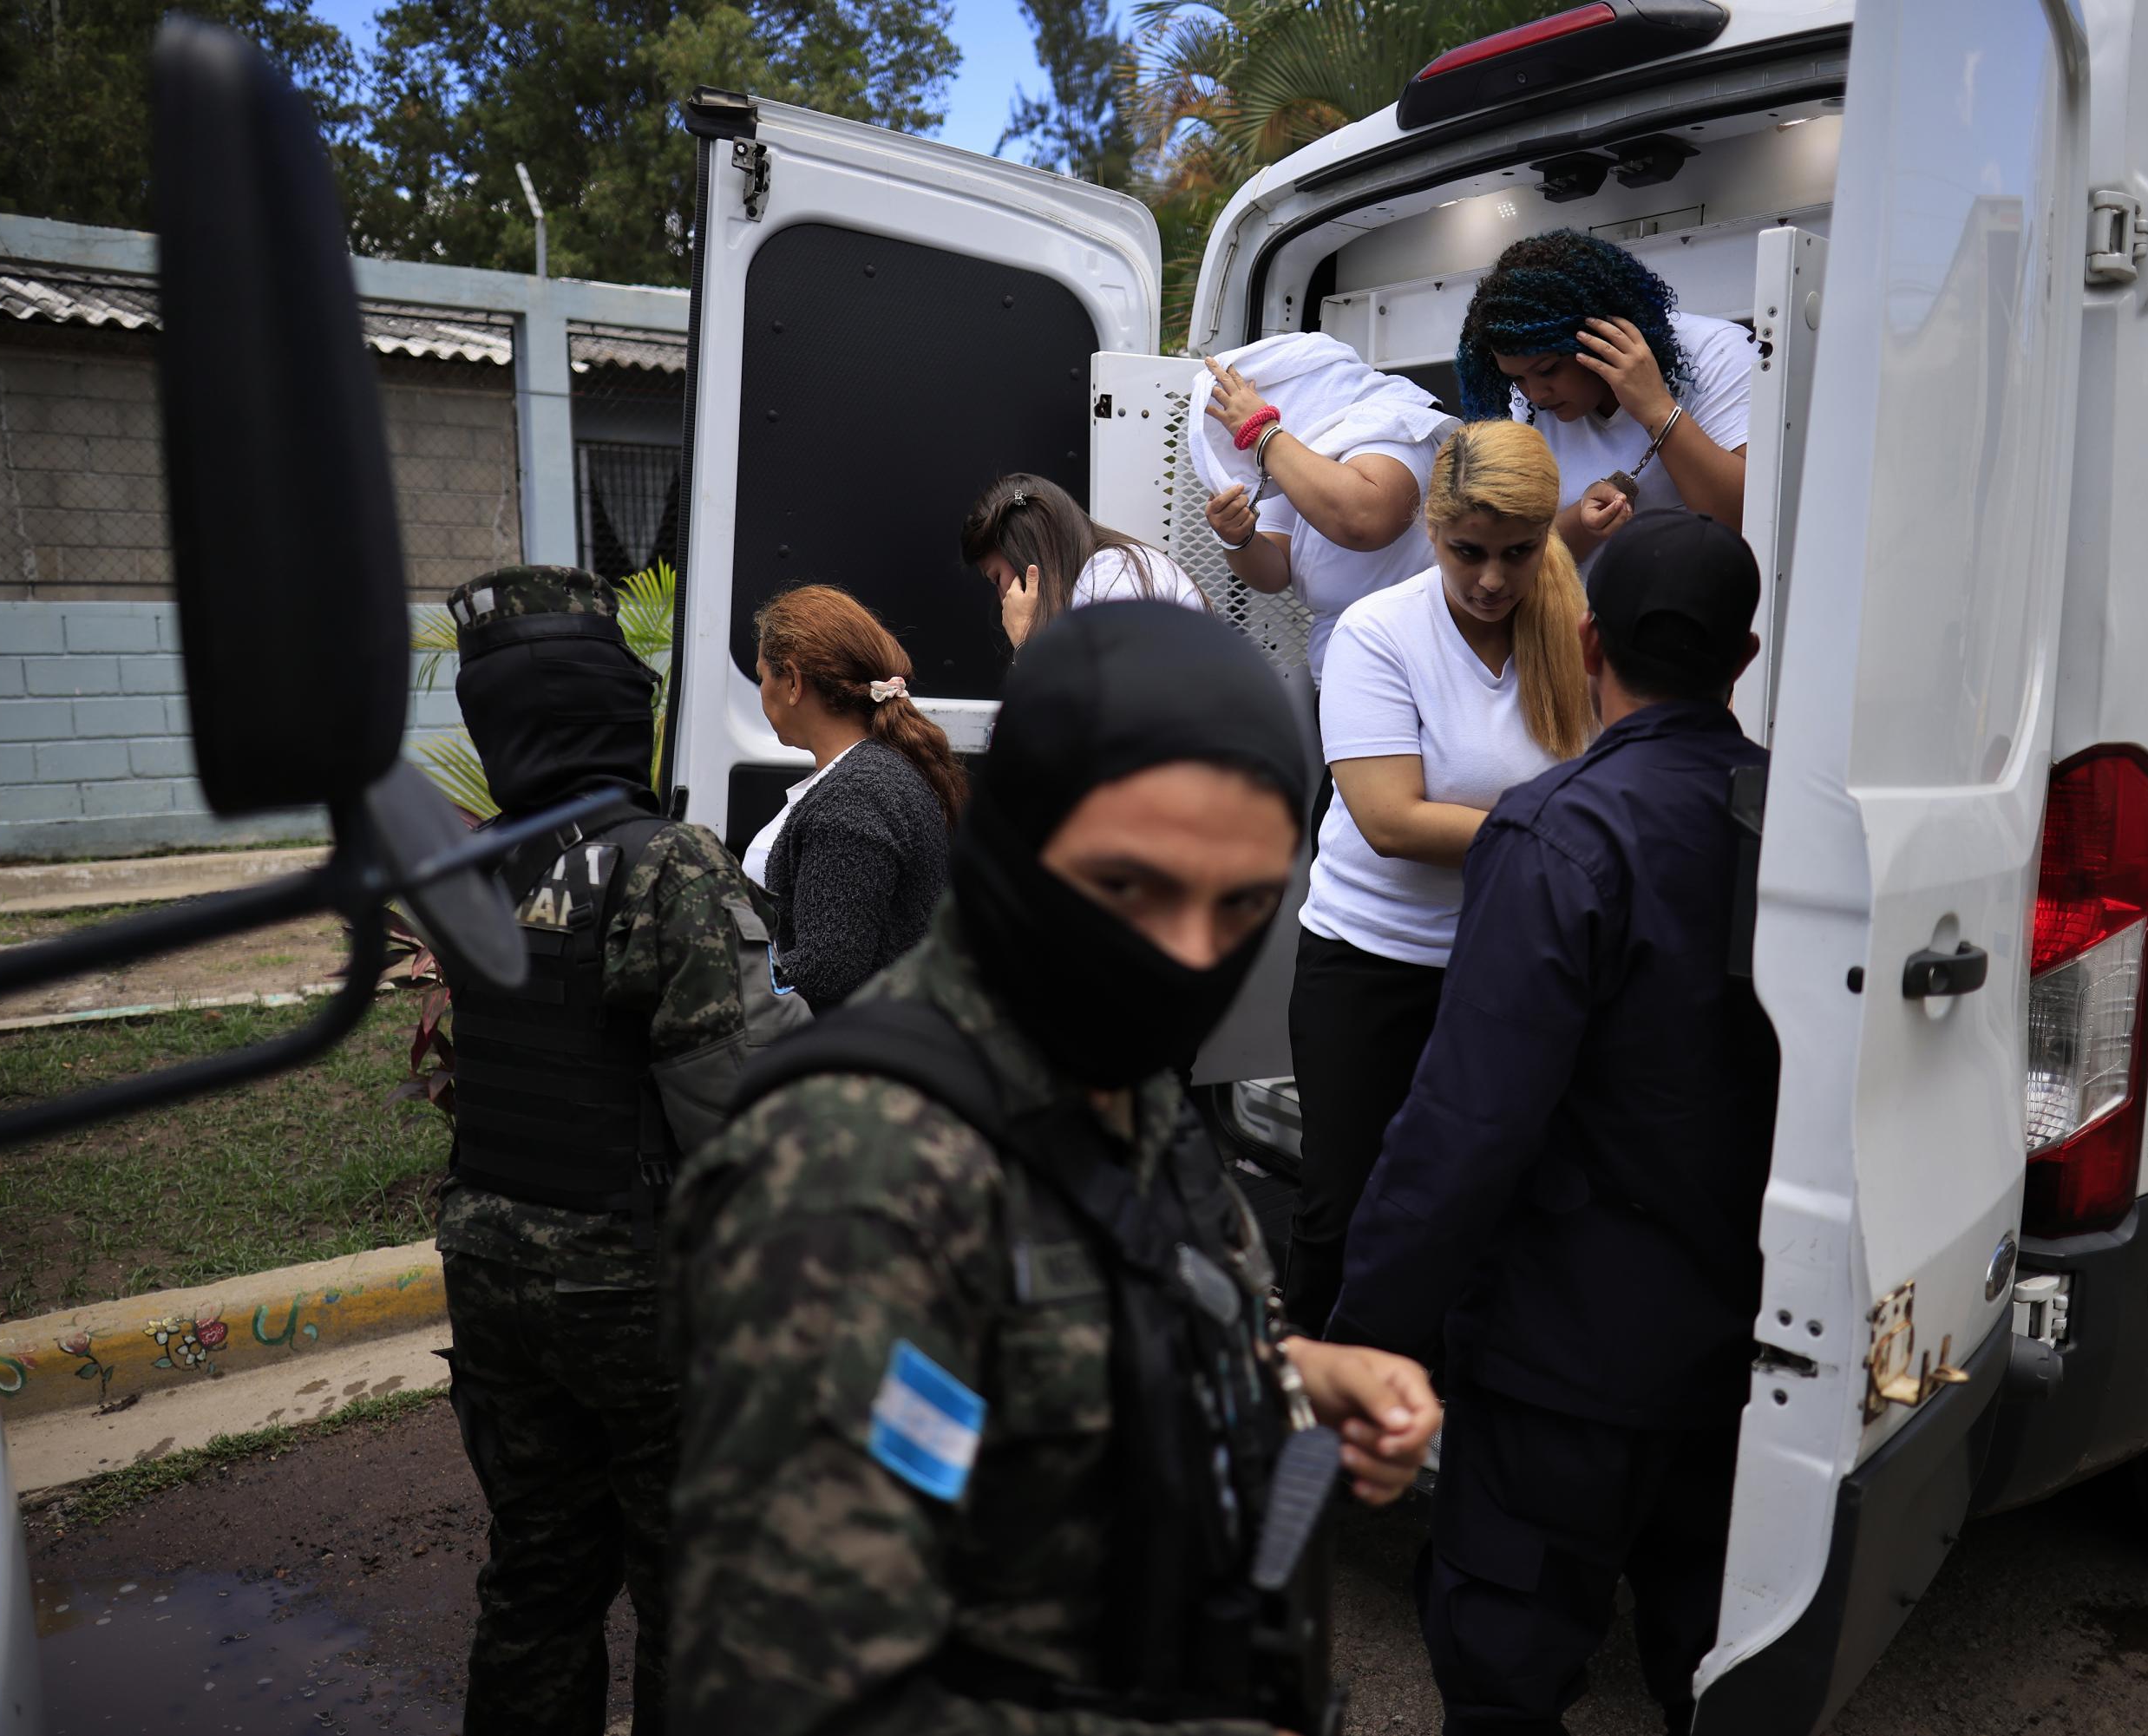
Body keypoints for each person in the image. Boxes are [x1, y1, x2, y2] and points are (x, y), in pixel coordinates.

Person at [666, 600, 1443, 1734]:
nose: (1186, 951)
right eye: (1130, 887)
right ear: (1021, 845)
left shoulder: (1121, 1082)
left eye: (1242, 906)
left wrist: (1292, 1380)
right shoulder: (858, 1174)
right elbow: (792, 1697)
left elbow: (1091, 1364)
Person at [1325, 510, 1781, 1735]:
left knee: (1506, 1666)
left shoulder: (1557, 830)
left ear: (1587, 641)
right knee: (1725, 1653)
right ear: (1742, 659)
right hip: (1753, 1339)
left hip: (1562, 1354)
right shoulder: (1804, 826)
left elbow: (1465, 1123)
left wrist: (1368, 1332)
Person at [435, 565, 802, 1736]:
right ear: (616, 710)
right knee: (694, 1583)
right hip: (636, 1280)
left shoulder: (472, 861)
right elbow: (739, 1104)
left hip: (488, 1263)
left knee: (538, 1566)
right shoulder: (664, 863)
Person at [1280, 419, 1595, 1341]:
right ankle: (1311, 1412)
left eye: (1516, 554)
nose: (1493, 579)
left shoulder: (1571, 632)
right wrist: (1562, 835)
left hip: (1502, 966)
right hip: (1370, 964)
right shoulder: (1380, 633)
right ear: (1432, 530)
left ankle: (1442, 1411)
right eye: (1469, 553)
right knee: (1347, 1206)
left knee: (1482, 1202)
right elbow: (1390, 820)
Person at [1456, 229, 1754, 560]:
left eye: (1548, 370)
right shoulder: (1525, 399)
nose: (1536, 394)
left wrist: (1655, 409)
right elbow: (1511, 552)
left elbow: (1752, 521)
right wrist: (1584, 524)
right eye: (1516, 378)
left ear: (1601, 334)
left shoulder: (1716, 353)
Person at [741, 584, 963, 1010]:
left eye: (762, 676)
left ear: (793, 682)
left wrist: (721, 981)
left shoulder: (855, 796)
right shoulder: (871, 774)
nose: (761, 690)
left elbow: (827, 968)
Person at [1196, 335, 1456, 688]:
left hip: (1427, 671)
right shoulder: (1294, 456)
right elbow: (1275, 573)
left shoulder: (1391, 423)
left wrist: (1265, 433)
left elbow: (1365, 519)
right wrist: (1239, 539)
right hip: (1342, 676)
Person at [959, 472, 1209, 651]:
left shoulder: (1113, 580)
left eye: (996, 578)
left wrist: (1026, 641)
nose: (1003, 598)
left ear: (1024, 553)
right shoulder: (1108, 575)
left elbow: (1100, 715)